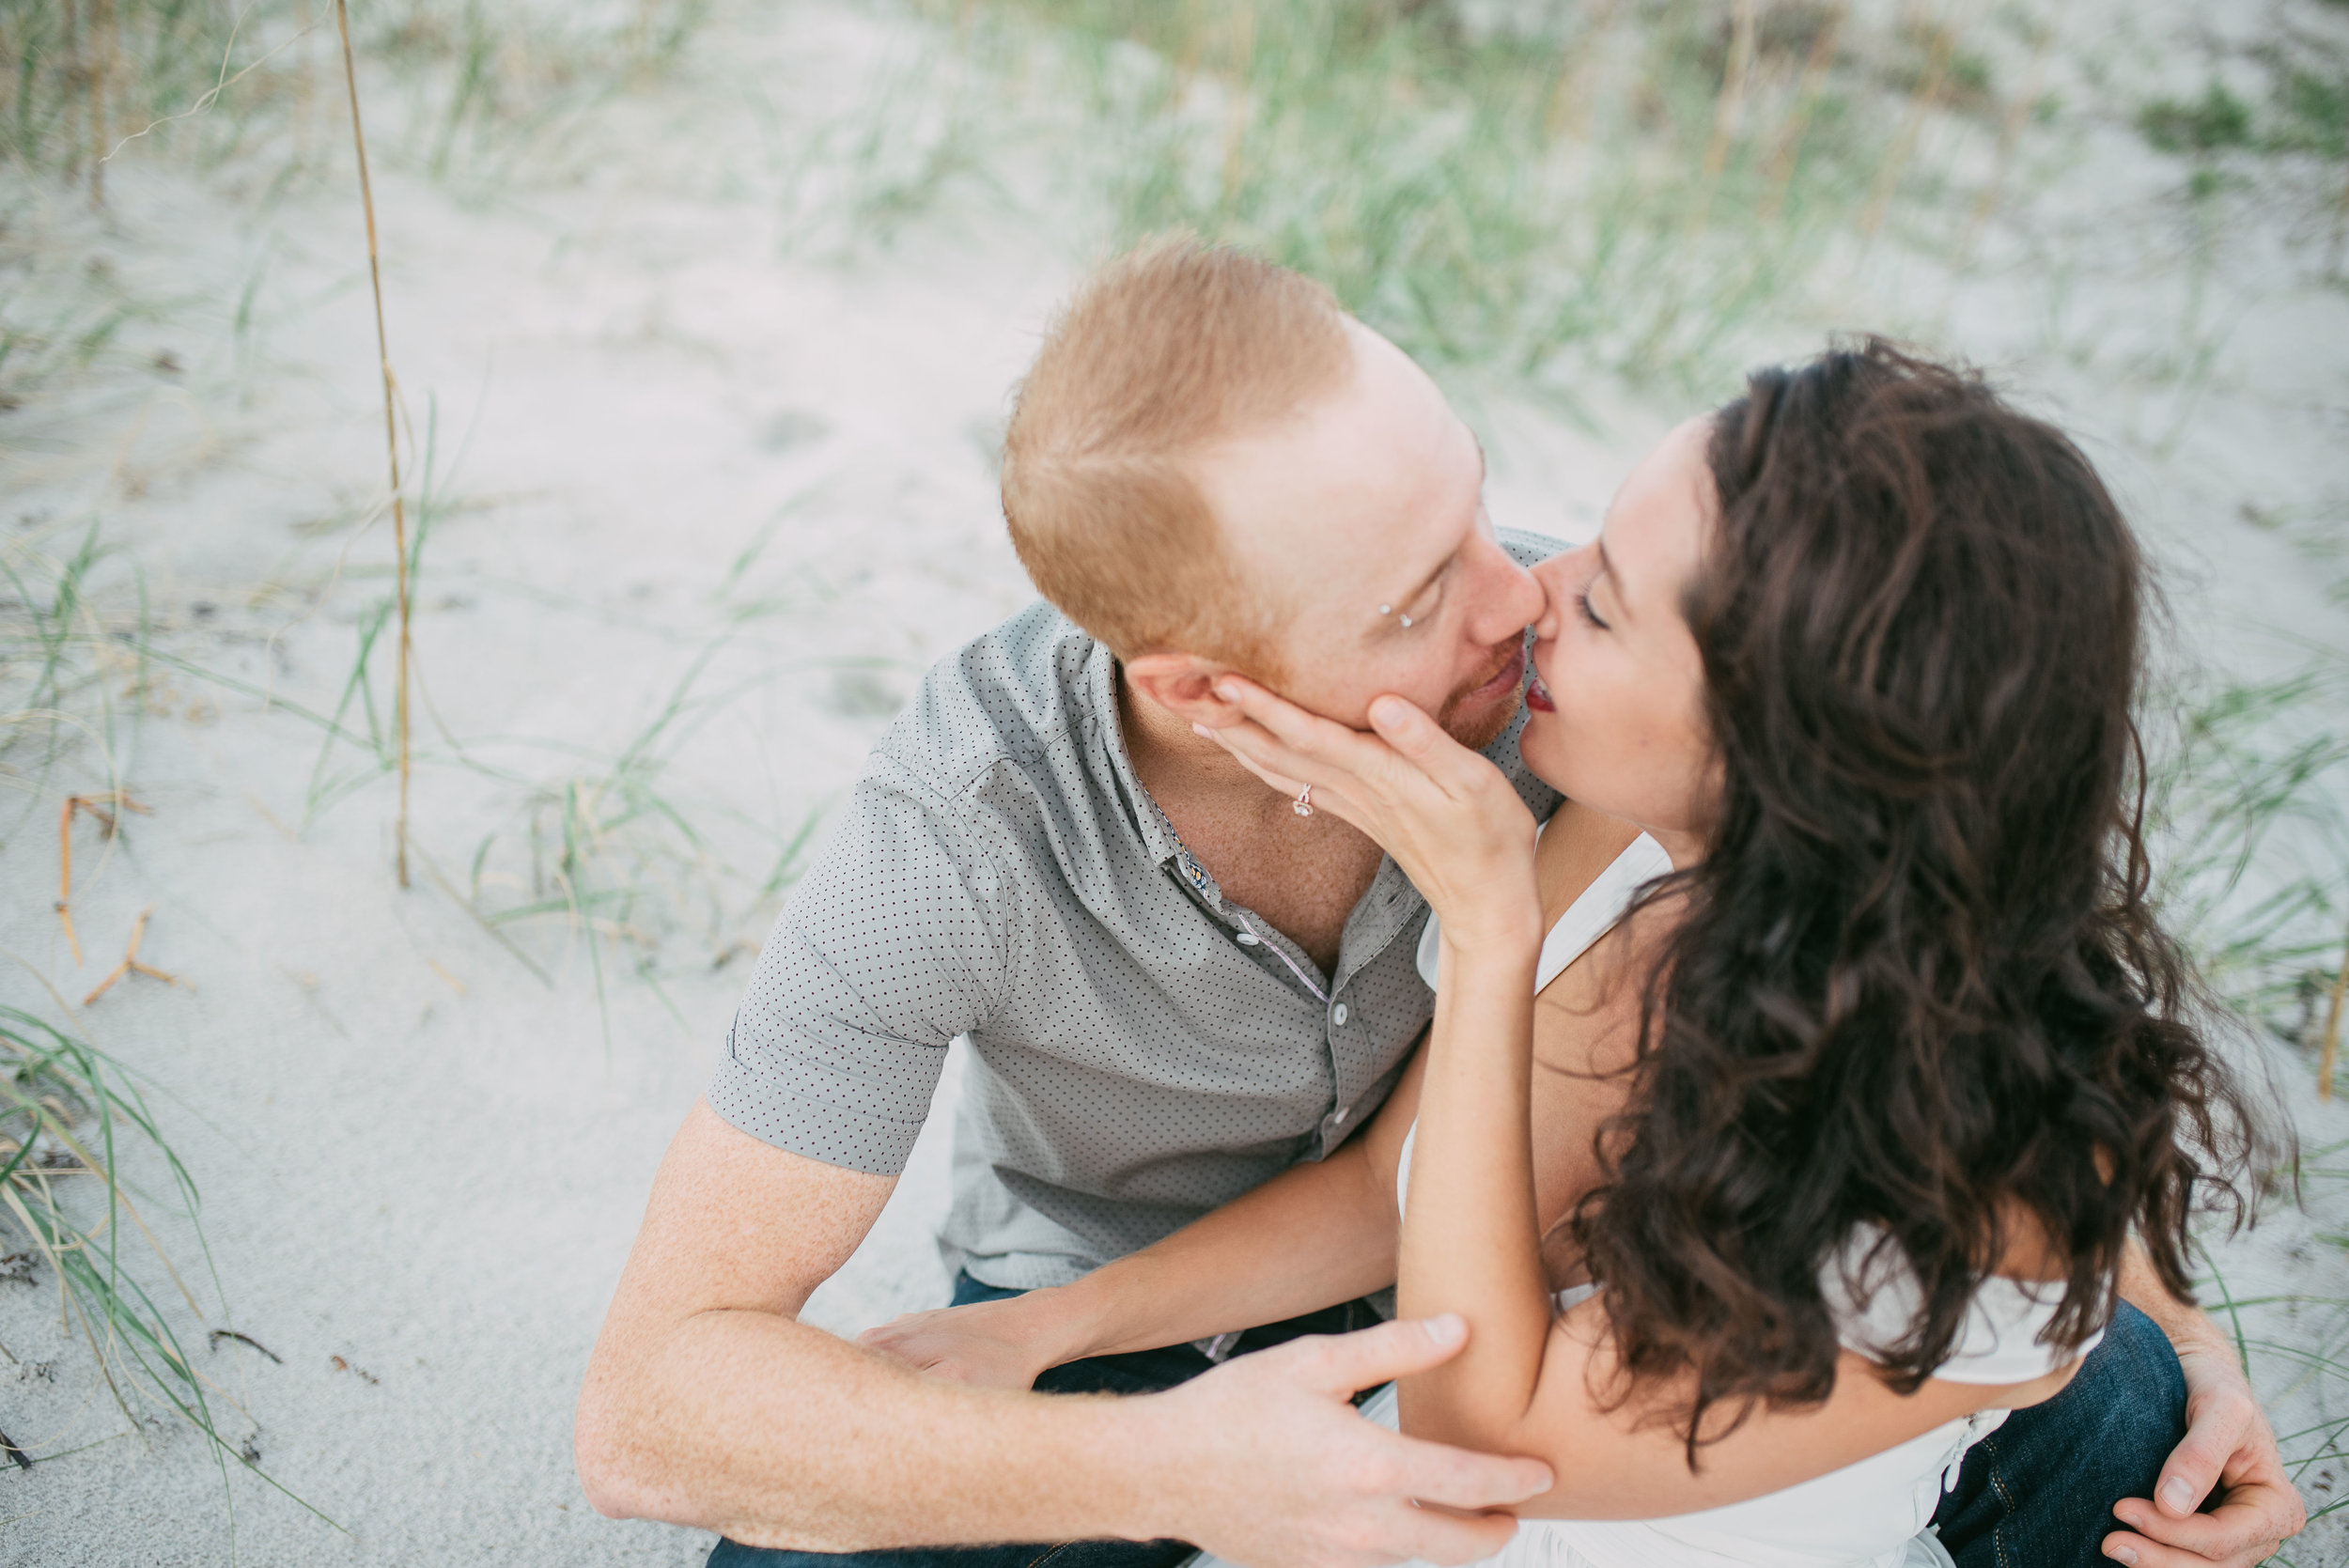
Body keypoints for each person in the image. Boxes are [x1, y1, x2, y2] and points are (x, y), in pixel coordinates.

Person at [575, 243, 2300, 1568]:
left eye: (1489, 511)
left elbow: (1967, 951)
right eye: (1422, 593)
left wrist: (2166, 1301)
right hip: (1184, 1310)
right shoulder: (962, 831)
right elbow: (647, 1407)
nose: (1524, 599)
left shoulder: (1616, 697)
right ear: (1201, 684)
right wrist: (1134, 1426)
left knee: (2129, 1413)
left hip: (1587, 1330)